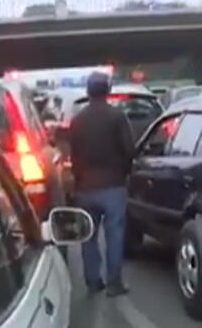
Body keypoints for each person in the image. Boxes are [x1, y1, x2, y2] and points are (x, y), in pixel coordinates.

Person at [70, 72, 135, 297]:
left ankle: (93, 281)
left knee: (88, 236)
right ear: (107, 90)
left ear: (88, 92)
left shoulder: (77, 121)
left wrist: (78, 183)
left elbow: (73, 156)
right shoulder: (116, 117)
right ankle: (114, 283)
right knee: (114, 236)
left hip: (86, 188)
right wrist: (124, 173)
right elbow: (129, 151)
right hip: (113, 185)